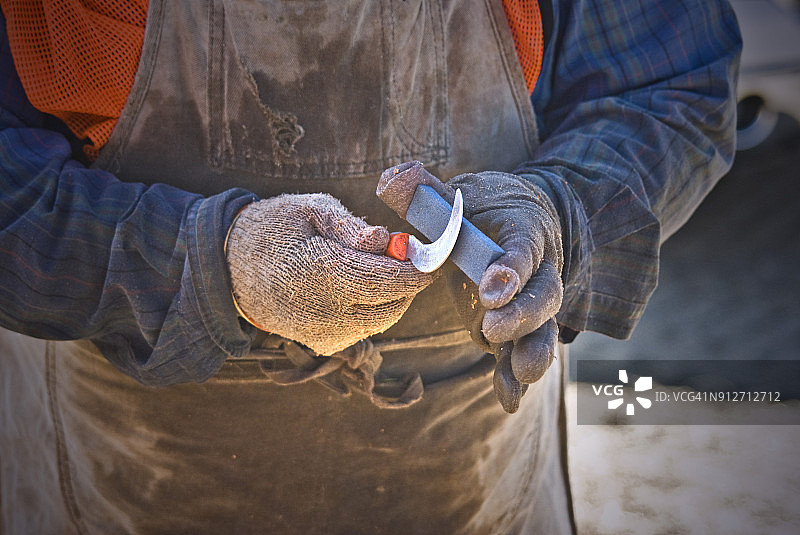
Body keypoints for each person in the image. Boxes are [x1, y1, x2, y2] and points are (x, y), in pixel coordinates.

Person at [0, 0, 740, 533]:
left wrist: (561, 211)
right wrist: (206, 256)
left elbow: (670, 81)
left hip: (470, 485)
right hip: (121, 482)